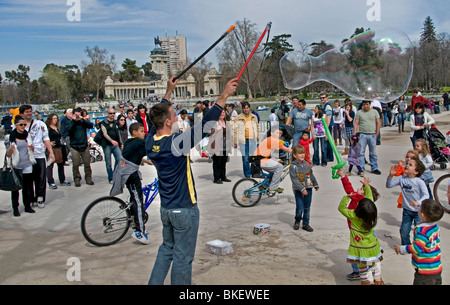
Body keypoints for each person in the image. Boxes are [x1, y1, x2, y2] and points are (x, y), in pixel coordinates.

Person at [146, 76, 237, 285]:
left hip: (167, 208)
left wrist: (168, 92)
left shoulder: (151, 143)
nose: (177, 115)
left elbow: (155, 119)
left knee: (166, 250)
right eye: (173, 113)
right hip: (184, 209)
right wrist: (223, 95)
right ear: (168, 121)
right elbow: (205, 125)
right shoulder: (176, 143)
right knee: (182, 258)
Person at [110, 122, 153, 244]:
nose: (144, 134)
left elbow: (135, 155)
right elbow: (152, 148)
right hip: (131, 175)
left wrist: (149, 162)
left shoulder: (129, 142)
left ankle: (134, 219)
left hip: (124, 172)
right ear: (134, 132)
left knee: (134, 198)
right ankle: (139, 231)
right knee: (139, 202)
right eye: (141, 131)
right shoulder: (139, 142)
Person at [336, 168, 380, 281]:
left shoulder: (358, 200)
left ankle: (357, 272)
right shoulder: (368, 203)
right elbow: (369, 195)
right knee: (369, 248)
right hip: (368, 230)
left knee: (356, 251)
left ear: (363, 195)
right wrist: (366, 187)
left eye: (361, 189)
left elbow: (347, 191)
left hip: (356, 231)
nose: (358, 189)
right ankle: (373, 271)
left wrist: (343, 177)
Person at [394, 199, 444, 285]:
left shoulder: (422, 231)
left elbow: (416, 248)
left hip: (425, 271)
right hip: (436, 267)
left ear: (423, 215)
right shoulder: (435, 227)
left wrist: (402, 249)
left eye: (419, 208)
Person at [386, 156, 428, 245]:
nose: (407, 166)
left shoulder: (419, 182)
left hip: (419, 212)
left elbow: (426, 195)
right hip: (407, 211)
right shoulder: (402, 179)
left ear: (416, 171)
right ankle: (406, 246)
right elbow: (389, 185)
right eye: (407, 164)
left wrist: (418, 202)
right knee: (404, 231)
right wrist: (390, 176)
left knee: (419, 231)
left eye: (410, 165)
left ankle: (419, 246)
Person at [19, 105, 54, 209]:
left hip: (39, 154)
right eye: (26, 112)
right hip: (26, 156)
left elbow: (46, 138)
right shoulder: (19, 126)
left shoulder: (40, 124)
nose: (29, 113)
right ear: (22, 114)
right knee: (28, 179)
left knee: (40, 178)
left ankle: (40, 197)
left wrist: (50, 152)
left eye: (30, 111)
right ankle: (30, 199)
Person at [5, 115, 36, 216]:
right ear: (16, 125)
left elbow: (31, 150)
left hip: (27, 164)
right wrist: (10, 150)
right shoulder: (11, 137)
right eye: (21, 124)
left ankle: (27, 206)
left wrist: (32, 148)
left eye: (24, 124)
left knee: (27, 187)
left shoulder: (27, 136)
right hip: (16, 165)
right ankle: (15, 208)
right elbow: (7, 155)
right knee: (15, 189)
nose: (23, 126)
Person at [289, 145, 319, 232]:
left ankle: (306, 224)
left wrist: (315, 184)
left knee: (307, 207)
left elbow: (311, 174)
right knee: (300, 208)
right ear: (294, 155)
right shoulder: (293, 166)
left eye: (303, 153)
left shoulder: (307, 164)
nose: (302, 155)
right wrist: (302, 189)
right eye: (300, 153)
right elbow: (294, 179)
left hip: (309, 188)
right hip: (299, 190)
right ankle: (297, 220)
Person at [254, 126, 292, 193]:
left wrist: (275, 160)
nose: (279, 135)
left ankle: (264, 185)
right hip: (260, 160)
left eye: (280, 133)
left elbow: (268, 154)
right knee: (279, 167)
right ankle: (273, 187)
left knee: (274, 171)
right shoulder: (272, 140)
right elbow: (287, 150)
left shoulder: (270, 139)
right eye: (277, 133)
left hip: (260, 159)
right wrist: (299, 153)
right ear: (271, 133)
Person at [66, 108, 94, 187]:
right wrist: (74, 121)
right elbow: (68, 130)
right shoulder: (70, 122)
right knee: (75, 164)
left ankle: (88, 178)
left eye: (79, 114)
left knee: (87, 164)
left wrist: (83, 119)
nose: (78, 115)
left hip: (84, 145)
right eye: (76, 114)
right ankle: (77, 179)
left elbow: (90, 125)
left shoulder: (82, 122)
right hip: (74, 146)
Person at [353, 100, 381, 175]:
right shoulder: (359, 112)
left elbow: (378, 123)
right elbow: (356, 123)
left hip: (372, 134)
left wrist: (377, 133)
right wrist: (354, 134)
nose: (365, 106)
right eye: (364, 104)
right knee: (361, 153)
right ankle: (361, 168)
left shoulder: (374, 112)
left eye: (367, 104)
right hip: (362, 134)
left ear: (370, 104)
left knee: (373, 153)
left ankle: (374, 168)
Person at [233, 102, 259, 178]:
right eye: (244, 108)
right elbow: (235, 130)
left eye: (247, 108)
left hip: (252, 140)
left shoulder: (254, 117)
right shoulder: (238, 117)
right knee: (245, 159)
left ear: (249, 108)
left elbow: (257, 127)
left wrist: (257, 137)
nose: (246, 109)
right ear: (242, 109)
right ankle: (247, 175)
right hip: (243, 141)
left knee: (254, 158)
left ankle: (254, 172)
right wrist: (235, 141)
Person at [45, 114, 70, 189]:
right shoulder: (47, 128)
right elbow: (44, 137)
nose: (56, 120)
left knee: (61, 164)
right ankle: (51, 182)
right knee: (50, 165)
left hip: (59, 147)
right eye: (54, 118)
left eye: (56, 118)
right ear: (50, 119)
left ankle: (62, 179)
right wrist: (48, 143)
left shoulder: (57, 127)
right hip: (51, 148)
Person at [207, 110, 232, 184]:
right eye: (220, 112)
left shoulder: (226, 123)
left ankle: (223, 176)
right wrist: (215, 129)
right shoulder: (214, 123)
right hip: (217, 145)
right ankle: (216, 178)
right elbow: (208, 133)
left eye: (223, 112)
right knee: (217, 162)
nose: (222, 114)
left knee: (223, 161)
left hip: (225, 145)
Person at [100, 108, 123, 183]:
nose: (112, 115)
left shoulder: (116, 122)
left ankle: (115, 174)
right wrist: (111, 141)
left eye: (113, 113)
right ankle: (111, 178)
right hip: (107, 145)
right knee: (108, 163)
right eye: (110, 113)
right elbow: (105, 134)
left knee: (119, 159)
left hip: (116, 144)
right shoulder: (103, 123)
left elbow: (118, 134)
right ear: (107, 114)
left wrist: (120, 143)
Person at [320, 93, 334, 162]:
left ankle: (330, 157)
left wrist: (327, 128)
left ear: (327, 98)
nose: (322, 99)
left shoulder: (328, 106)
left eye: (323, 97)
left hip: (328, 126)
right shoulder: (325, 105)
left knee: (328, 142)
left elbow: (329, 117)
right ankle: (329, 156)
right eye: (321, 98)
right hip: (326, 125)